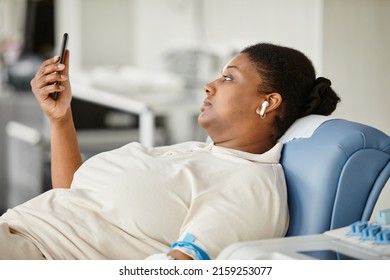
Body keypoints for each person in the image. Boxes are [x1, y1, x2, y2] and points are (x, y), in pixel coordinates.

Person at [0, 42, 340, 260]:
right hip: (18, 231)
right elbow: (74, 194)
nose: (209, 85)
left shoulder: (249, 184)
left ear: (268, 102)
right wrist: (60, 118)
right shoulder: (199, 152)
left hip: (35, 255)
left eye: (228, 78)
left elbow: (179, 268)